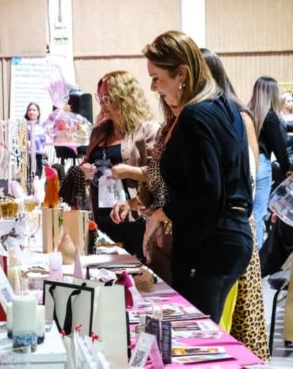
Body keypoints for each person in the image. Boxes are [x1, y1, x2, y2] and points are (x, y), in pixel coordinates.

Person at [141, 30, 253, 322]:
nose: (154, 87)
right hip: (232, 237)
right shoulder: (226, 108)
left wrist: (161, 214)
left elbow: (206, 191)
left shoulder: (195, 116)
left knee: (196, 336)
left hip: (210, 244)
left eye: (156, 78)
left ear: (181, 73)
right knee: (206, 334)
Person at [202, 50, 269, 361]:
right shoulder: (206, 115)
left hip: (233, 227)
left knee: (235, 324)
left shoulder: (238, 117)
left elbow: (249, 180)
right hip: (219, 229)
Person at [80, 71, 158, 259]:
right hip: (103, 216)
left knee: (137, 279)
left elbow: (160, 173)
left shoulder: (148, 129)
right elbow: (88, 162)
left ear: (125, 98)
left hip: (134, 216)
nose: (102, 104)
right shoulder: (100, 130)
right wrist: (86, 169)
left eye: (107, 98)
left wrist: (128, 171)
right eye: (100, 98)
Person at [248, 76, 291, 249]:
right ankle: (255, 262)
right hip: (262, 165)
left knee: (246, 215)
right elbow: (280, 149)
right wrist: (289, 170)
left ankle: (245, 261)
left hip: (245, 165)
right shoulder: (271, 117)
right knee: (258, 214)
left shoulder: (246, 113)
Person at [25, 102, 47, 178]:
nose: (31, 112)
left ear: (38, 113)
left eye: (34, 110)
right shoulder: (24, 125)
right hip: (27, 155)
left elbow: (44, 141)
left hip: (38, 155)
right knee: (28, 178)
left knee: (37, 178)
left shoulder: (42, 126)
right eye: (29, 110)